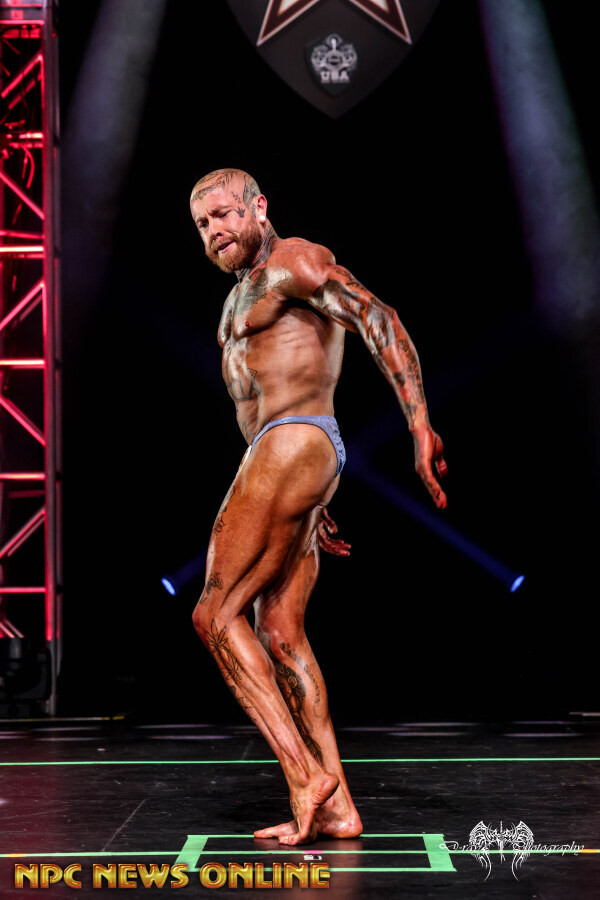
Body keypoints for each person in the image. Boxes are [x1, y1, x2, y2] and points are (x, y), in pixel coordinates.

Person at [189, 168, 447, 846]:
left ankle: (305, 778)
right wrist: (306, 496)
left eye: (224, 214)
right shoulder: (238, 295)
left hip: (293, 442)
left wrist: (419, 423)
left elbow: (377, 317)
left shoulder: (293, 261)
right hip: (285, 460)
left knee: (214, 614)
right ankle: (338, 809)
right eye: (203, 224)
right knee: (280, 631)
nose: (215, 230)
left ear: (258, 207)